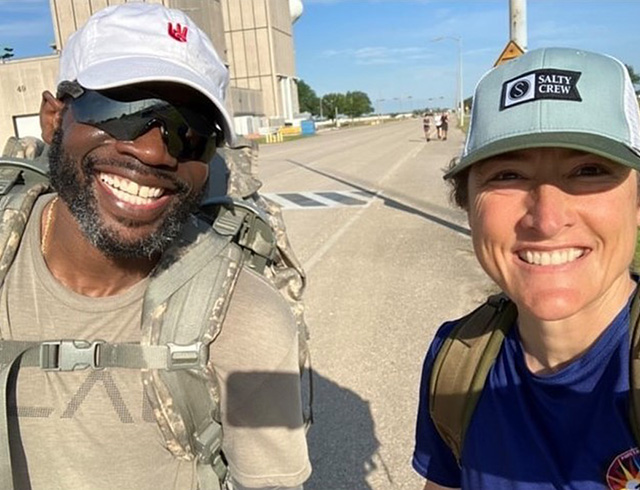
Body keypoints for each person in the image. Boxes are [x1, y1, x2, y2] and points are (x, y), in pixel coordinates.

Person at [0, 3, 311, 490]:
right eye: (121, 110)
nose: (152, 151)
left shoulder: (246, 319)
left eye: (188, 132)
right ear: (54, 118)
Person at [413, 47, 640, 489]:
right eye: (508, 176)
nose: (547, 218)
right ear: (468, 206)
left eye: (588, 169)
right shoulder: (457, 360)